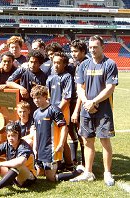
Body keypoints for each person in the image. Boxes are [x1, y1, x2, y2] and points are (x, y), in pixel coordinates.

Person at [70, 35, 118, 186]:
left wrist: (94, 101)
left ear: (102, 47)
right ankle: (88, 172)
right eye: (90, 47)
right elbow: (79, 87)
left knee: (104, 140)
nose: (92, 50)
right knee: (87, 140)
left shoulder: (110, 64)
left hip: (103, 109)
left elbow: (110, 88)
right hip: (86, 109)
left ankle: (107, 173)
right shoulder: (83, 65)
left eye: (95, 47)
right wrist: (86, 102)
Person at [30, 85, 84, 182]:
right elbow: (35, 130)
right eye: (34, 98)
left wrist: (61, 144)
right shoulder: (36, 113)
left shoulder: (54, 110)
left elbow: (64, 128)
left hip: (51, 150)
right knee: (38, 174)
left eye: (38, 98)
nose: (36, 100)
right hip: (40, 149)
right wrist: (35, 147)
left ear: (45, 97)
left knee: (51, 179)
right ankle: (55, 168)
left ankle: (78, 172)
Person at [46, 52, 73, 171]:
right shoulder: (50, 77)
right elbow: (47, 96)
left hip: (62, 113)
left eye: (58, 63)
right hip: (52, 112)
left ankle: (69, 164)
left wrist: (56, 112)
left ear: (64, 64)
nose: (55, 65)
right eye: (54, 62)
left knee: (63, 139)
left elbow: (66, 98)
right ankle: (57, 162)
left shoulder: (67, 77)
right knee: (53, 138)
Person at [7, 50, 47, 121]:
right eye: (31, 62)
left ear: (40, 63)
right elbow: (9, 82)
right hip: (24, 108)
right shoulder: (22, 71)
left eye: (35, 62)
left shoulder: (44, 76)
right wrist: (21, 88)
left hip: (38, 108)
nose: (32, 64)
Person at [67, 39, 88, 165]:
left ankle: (86, 163)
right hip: (75, 102)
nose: (73, 54)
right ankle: (77, 160)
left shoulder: (85, 64)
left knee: (82, 133)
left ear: (83, 51)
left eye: (75, 51)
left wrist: (76, 110)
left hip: (80, 104)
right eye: (71, 51)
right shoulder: (79, 64)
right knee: (75, 132)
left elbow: (82, 89)